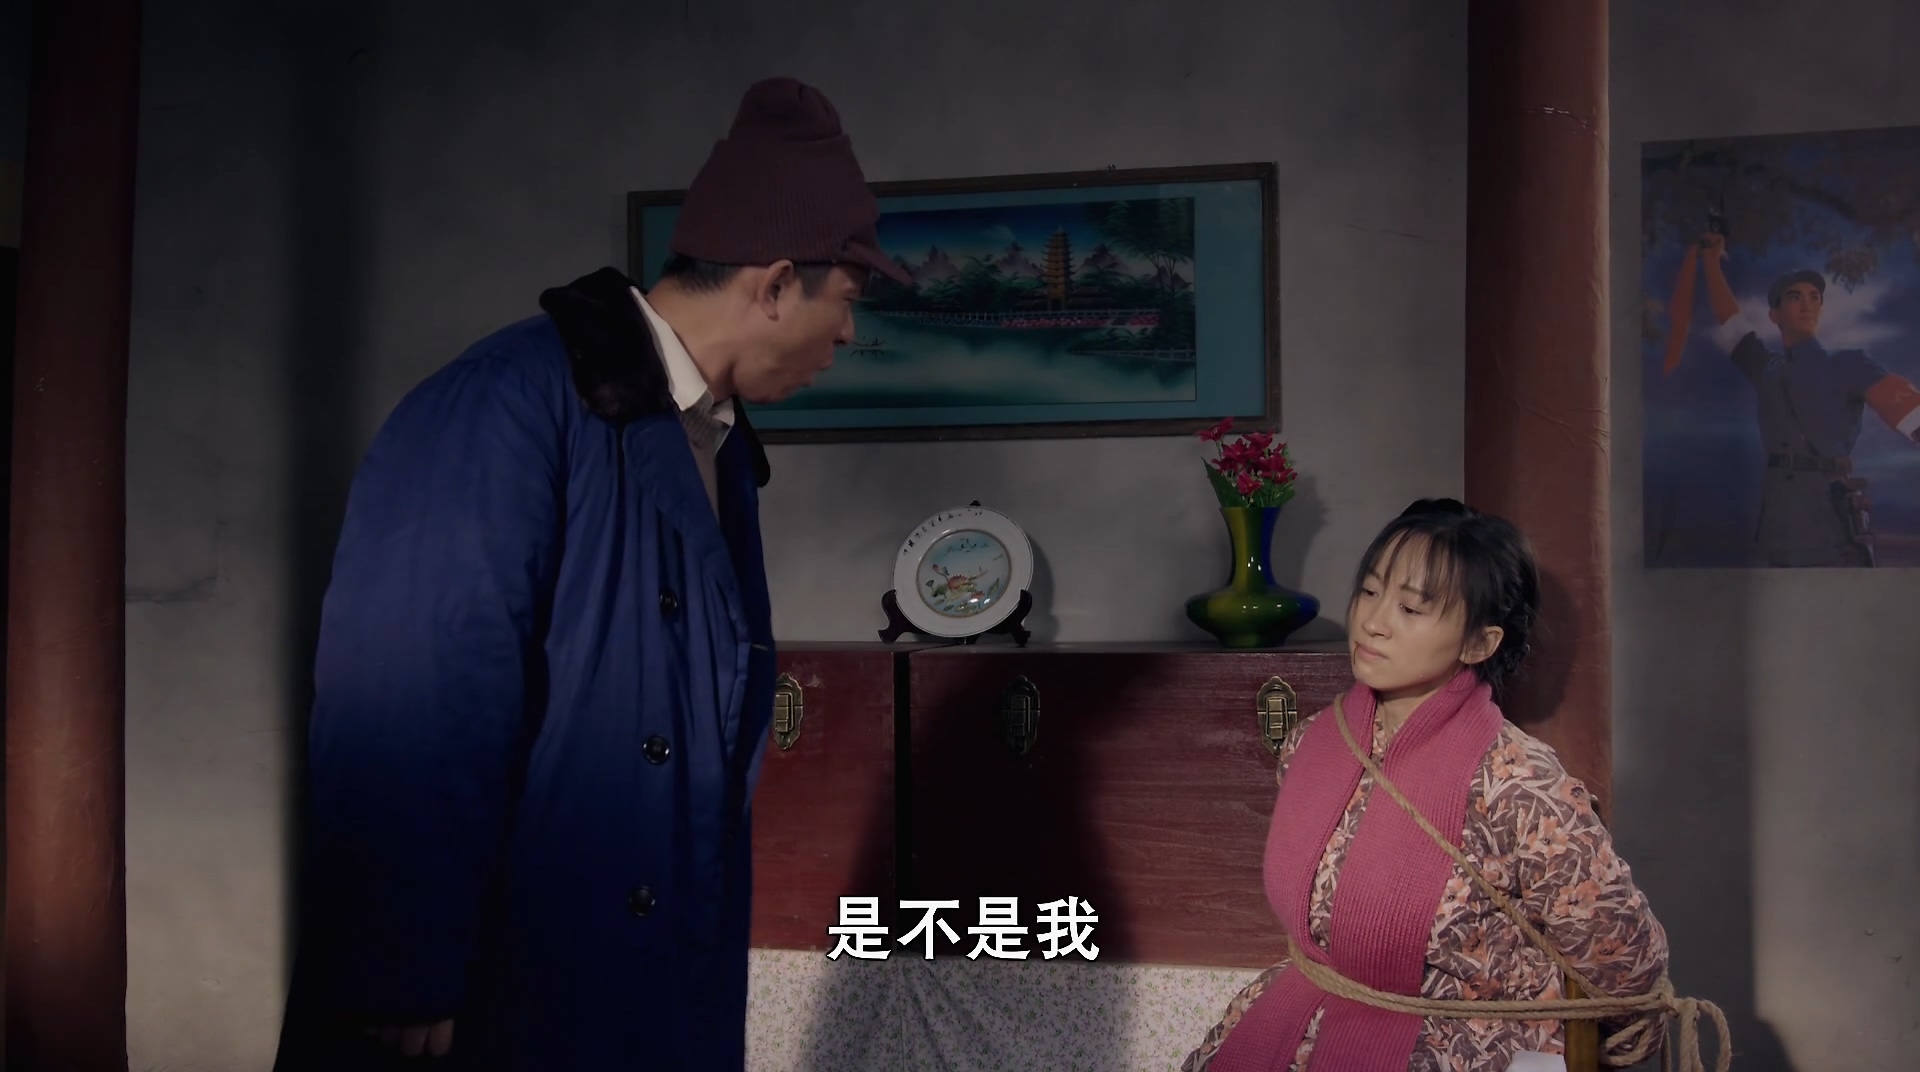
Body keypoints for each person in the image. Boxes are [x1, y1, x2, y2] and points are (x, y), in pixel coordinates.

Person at [272, 76, 911, 1071]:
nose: (848, 335)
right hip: (500, 968)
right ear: (778, 284)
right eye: (846, 301)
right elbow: (405, 691)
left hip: (643, 956)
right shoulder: (505, 402)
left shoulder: (716, 440)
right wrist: (406, 963)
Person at [1182, 499, 1672, 1072]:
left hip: (1458, 1048)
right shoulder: (1313, 742)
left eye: (1411, 607)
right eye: (1370, 591)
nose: (1373, 621)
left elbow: (1626, 971)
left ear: (1478, 644)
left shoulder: (1520, 784)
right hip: (1298, 1016)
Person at [1693, 232, 1920, 567]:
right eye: (1794, 297)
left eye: (1815, 297)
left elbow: (1911, 413)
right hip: (1778, 523)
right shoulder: (1767, 368)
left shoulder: (1850, 364)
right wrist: (1711, 263)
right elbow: (1732, 324)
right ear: (1775, 314)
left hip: (1829, 522)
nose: (1807, 305)